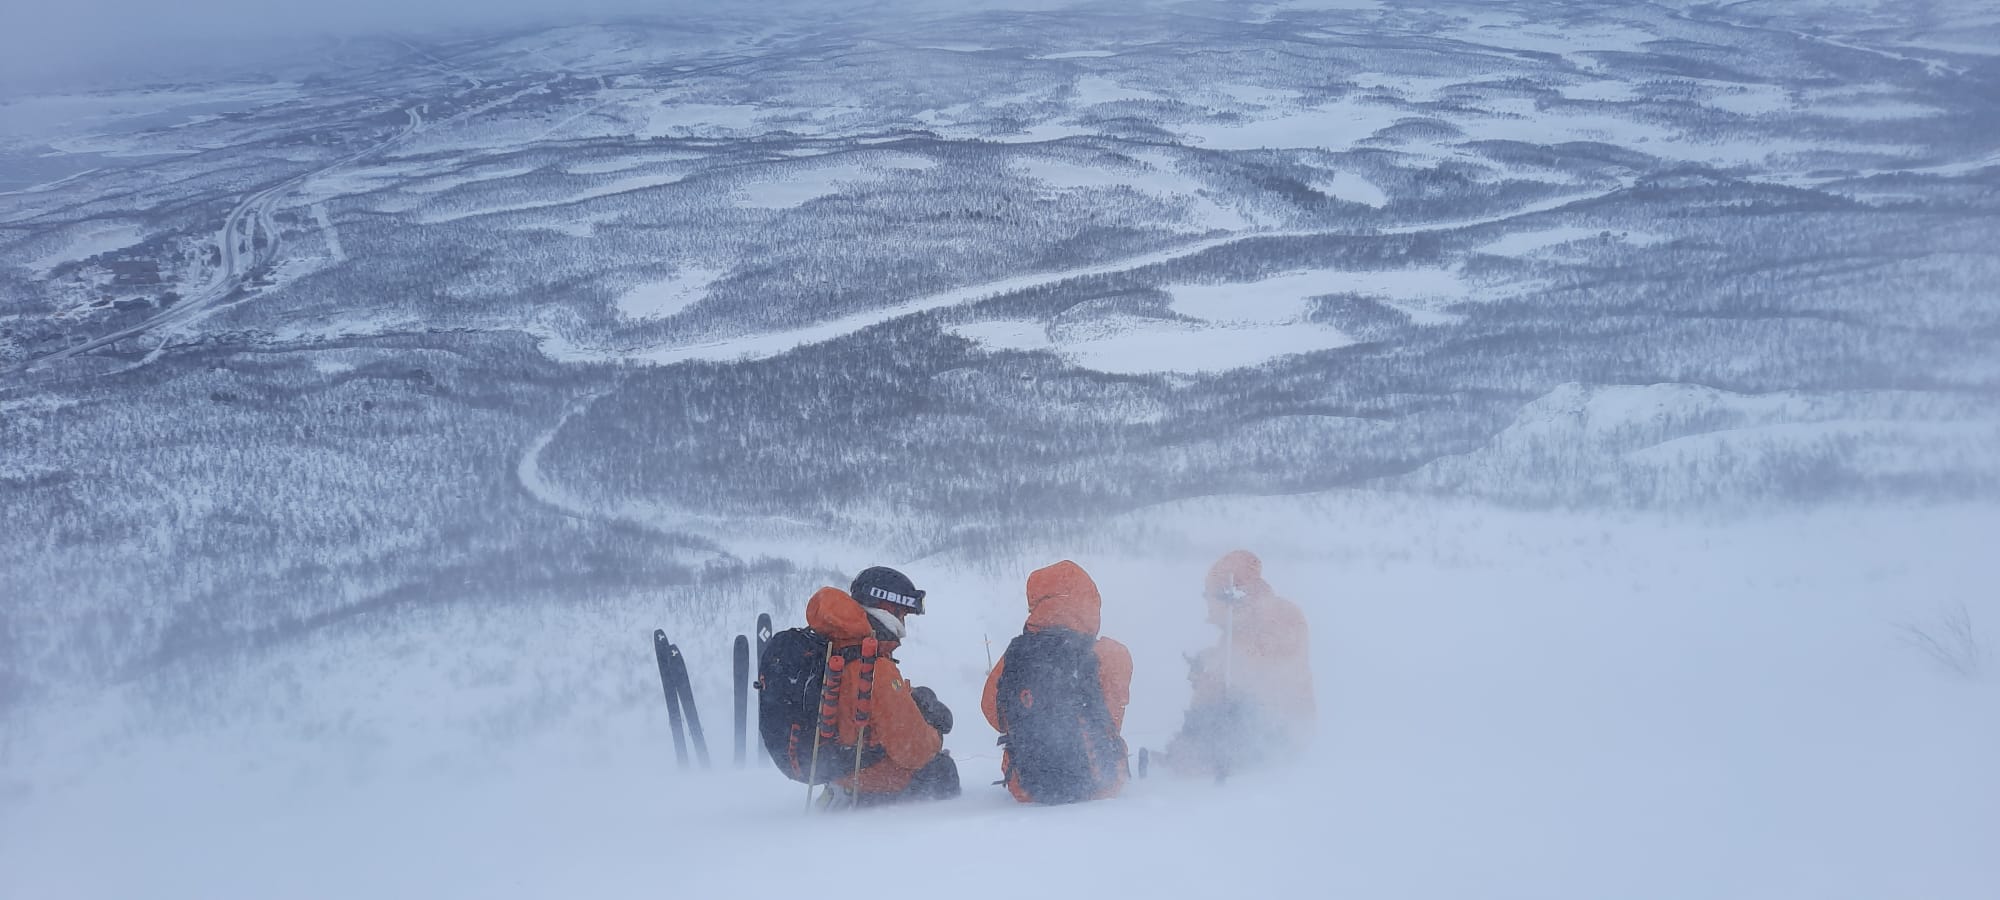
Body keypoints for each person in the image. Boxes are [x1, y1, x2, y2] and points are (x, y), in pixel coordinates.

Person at [800, 566, 959, 806]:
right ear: (887, 609)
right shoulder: (876, 667)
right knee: (942, 770)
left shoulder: (839, 648)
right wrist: (936, 731)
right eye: (902, 614)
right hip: (869, 780)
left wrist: (909, 696)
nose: (903, 622)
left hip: (839, 771)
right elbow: (912, 751)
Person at [981, 560, 1133, 803]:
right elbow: (1112, 718)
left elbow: (992, 711)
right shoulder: (1111, 654)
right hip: (1098, 781)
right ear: (1089, 601)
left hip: (1025, 785)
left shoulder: (1016, 654)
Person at [1162, 550, 1315, 779]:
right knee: (1212, 686)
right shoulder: (1239, 627)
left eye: (1210, 597)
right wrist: (1208, 662)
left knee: (1218, 691)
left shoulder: (1278, 618)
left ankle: (1210, 756)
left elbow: (1266, 676)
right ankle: (1191, 752)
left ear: (1232, 595)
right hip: (1258, 720)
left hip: (1281, 730)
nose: (1208, 606)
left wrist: (1217, 674)